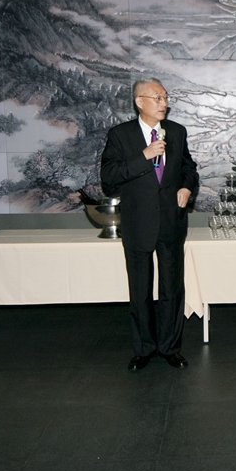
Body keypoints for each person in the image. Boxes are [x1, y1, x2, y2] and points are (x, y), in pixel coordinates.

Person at [100, 78, 199, 371]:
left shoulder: (177, 132)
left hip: (171, 222)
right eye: (157, 98)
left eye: (165, 97)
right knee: (140, 291)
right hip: (138, 223)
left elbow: (189, 168)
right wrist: (144, 156)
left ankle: (170, 348)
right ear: (139, 102)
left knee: (172, 289)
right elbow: (109, 177)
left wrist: (187, 187)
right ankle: (143, 348)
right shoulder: (120, 135)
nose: (163, 103)